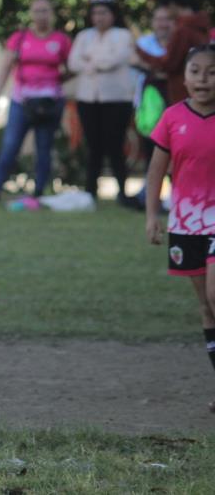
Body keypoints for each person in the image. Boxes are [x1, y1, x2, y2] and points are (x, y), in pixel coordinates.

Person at [146, 44, 215, 412]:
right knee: (206, 308)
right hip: (186, 223)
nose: (203, 79)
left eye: (212, 72)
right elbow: (156, 171)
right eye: (196, 71)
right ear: (184, 77)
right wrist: (152, 216)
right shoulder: (173, 118)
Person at [0, 0, 72, 202]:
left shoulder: (61, 40)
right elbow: (6, 67)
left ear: (52, 13)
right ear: (31, 14)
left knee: (44, 147)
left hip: (50, 103)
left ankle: (39, 191)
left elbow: (71, 68)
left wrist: (54, 81)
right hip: (22, 102)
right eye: (37, 11)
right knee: (10, 145)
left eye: (45, 11)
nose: (41, 15)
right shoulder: (20, 38)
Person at [68, 0, 135, 204]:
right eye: (95, 13)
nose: (98, 17)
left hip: (116, 99)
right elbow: (73, 62)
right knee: (93, 146)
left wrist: (90, 61)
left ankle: (122, 191)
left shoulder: (123, 35)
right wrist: (92, 62)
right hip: (88, 99)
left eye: (103, 13)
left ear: (113, 15)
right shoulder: (84, 36)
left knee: (115, 145)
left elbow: (114, 60)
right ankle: (90, 191)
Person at [130, 4, 174, 210]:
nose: (162, 23)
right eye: (158, 19)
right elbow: (134, 61)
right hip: (150, 108)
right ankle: (149, 198)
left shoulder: (180, 42)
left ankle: (175, 197)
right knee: (152, 153)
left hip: (174, 105)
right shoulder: (144, 42)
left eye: (166, 19)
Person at [137, 0, 211, 105]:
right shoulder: (199, 26)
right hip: (201, 89)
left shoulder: (183, 30)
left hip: (183, 91)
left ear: (172, 5)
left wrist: (139, 53)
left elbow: (167, 64)